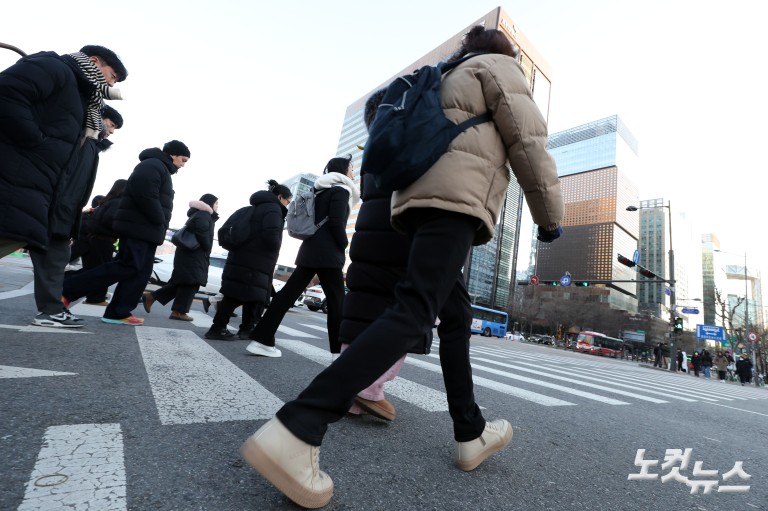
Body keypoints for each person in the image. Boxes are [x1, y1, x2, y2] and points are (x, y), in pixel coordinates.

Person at [239, 26, 564, 509]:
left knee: (455, 315)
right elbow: (528, 139)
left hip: (414, 202)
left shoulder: (444, 74)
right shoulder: (497, 67)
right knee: (414, 311)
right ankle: (299, 425)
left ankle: (470, 430)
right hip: (456, 202)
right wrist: (550, 217)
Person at [0, 45, 126, 259]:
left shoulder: (83, 96)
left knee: (17, 236)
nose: (112, 85)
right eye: (113, 76)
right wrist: (37, 141)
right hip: (14, 174)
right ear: (94, 61)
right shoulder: (55, 67)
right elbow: (7, 94)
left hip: (33, 184)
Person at [339, 88, 420, 422]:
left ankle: (353, 395)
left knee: (362, 313)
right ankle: (369, 388)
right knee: (407, 316)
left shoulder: (373, 150)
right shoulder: (412, 142)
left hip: (367, 243)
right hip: (399, 241)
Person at [62, 140, 191, 325]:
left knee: (140, 273)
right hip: (139, 228)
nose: (183, 165)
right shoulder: (153, 165)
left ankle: (118, 312)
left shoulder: (159, 167)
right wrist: (160, 219)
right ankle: (67, 289)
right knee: (127, 266)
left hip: (147, 230)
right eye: (183, 160)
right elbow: (145, 195)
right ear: (173, 154)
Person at [246, 155, 360, 358]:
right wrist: (344, 245)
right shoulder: (341, 190)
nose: (353, 172)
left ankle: (261, 339)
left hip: (310, 249)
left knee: (286, 296)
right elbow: (336, 223)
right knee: (337, 302)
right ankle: (339, 354)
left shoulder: (319, 190)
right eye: (351, 168)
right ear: (343, 170)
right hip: (328, 253)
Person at [30, 104, 124, 328]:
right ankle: (51, 310)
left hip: (59, 210)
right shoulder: (81, 140)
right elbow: (67, 182)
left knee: (55, 258)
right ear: (99, 117)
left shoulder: (89, 144)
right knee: (54, 258)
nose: (111, 132)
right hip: (53, 209)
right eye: (111, 125)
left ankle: (52, 310)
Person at [205, 181, 292, 340]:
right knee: (244, 296)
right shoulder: (273, 209)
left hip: (240, 258)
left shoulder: (248, 209)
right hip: (257, 261)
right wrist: (276, 246)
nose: (287, 205)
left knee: (246, 295)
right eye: (288, 201)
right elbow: (272, 238)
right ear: (280, 197)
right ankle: (221, 328)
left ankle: (243, 328)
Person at [142, 194, 219, 321]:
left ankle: (153, 298)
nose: (217, 206)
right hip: (194, 255)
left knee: (185, 282)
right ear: (209, 203)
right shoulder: (204, 215)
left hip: (189, 254)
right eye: (216, 203)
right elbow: (202, 234)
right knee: (191, 282)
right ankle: (178, 311)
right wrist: (207, 247)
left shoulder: (199, 214)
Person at [74, 179, 128, 305]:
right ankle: (96, 298)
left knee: (92, 269)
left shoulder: (106, 201)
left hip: (95, 240)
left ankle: (92, 296)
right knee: (101, 271)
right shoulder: (118, 202)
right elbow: (110, 220)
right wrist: (121, 229)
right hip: (104, 241)